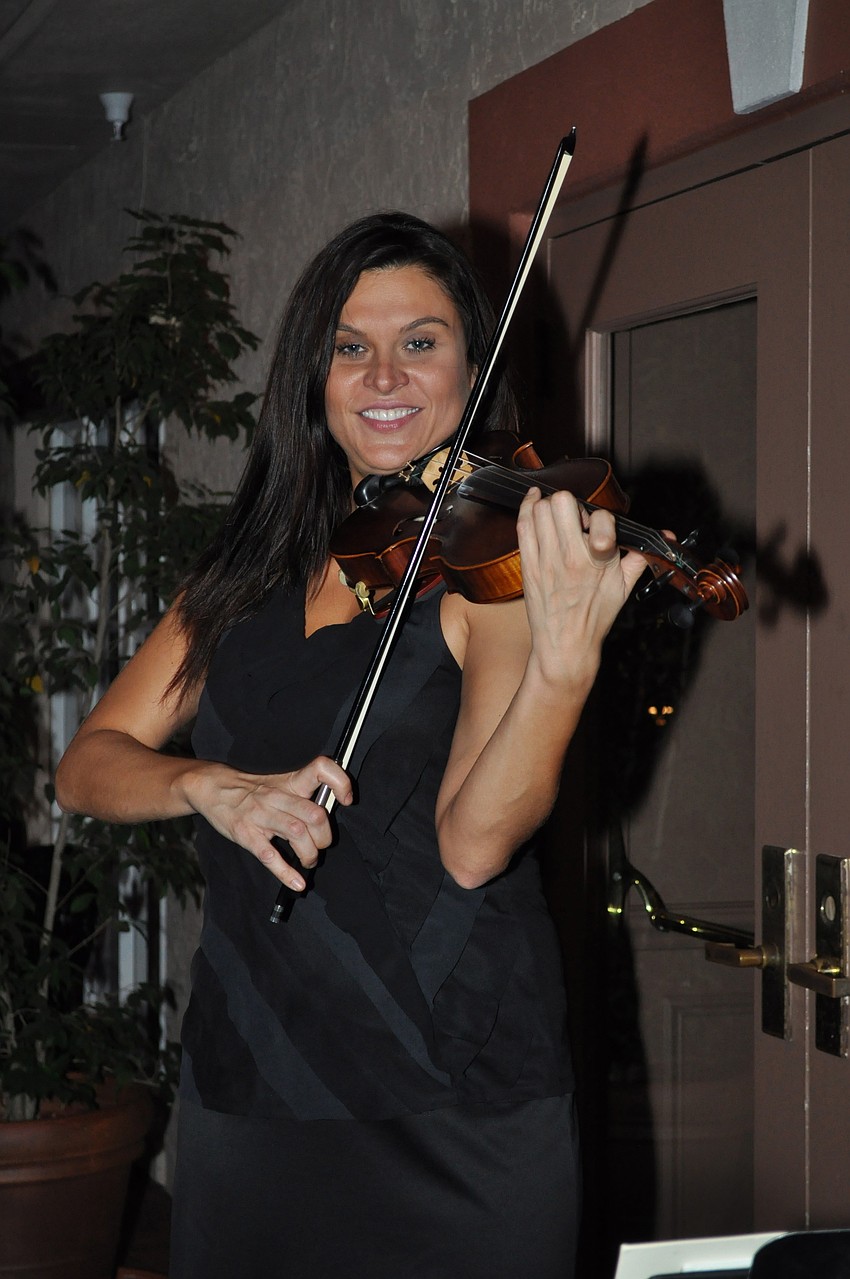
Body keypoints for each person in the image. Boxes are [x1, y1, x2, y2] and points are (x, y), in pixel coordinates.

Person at [56, 212, 646, 1278]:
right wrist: (208, 786)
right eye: (349, 345)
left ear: (471, 369)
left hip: (450, 1104)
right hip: (252, 1082)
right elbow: (88, 764)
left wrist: (562, 669)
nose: (384, 373)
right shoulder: (241, 577)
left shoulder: (490, 573)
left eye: (420, 341)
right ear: (311, 377)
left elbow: (473, 844)